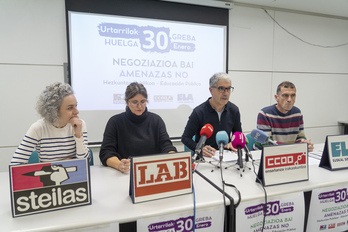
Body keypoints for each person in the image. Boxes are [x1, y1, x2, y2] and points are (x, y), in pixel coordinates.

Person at [99, 82, 177, 172]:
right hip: (125, 172)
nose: (139, 106)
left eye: (143, 102)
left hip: (153, 172)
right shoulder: (115, 122)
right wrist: (119, 164)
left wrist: (173, 156)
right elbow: (106, 153)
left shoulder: (156, 120)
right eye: (134, 102)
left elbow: (167, 146)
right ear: (126, 102)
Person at [11, 82, 90, 165]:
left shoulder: (79, 125)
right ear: (54, 110)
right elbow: (15, 164)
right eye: (70, 108)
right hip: (48, 177)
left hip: (76, 176)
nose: (77, 111)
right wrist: (62, 164)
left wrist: (78, 135)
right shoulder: (39, 128)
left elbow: (85, 163)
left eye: (76, 106)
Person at [181, 72, 242, 158]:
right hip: (205, 158)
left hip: (227, 157)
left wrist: (233, 142)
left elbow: (238, 133)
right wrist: (199, 148)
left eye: (228, 89)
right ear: (211, 90)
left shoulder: (234, 110)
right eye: (221, 88)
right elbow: (185, 138)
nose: (226, 93)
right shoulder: (199, 112)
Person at [256, 81, 314, 151]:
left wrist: (305, 144)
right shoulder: (265, 114)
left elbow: (300, 137)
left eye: (293, 95)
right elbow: (267, 143)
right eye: (285, 95)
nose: (289, 99)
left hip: (288, 153)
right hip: (263, 155)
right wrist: (294, 147)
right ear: (276, 97)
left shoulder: (297, 113)